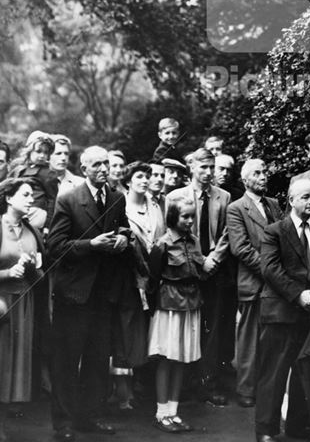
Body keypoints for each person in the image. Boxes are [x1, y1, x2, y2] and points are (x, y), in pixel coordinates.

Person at [47, 145, 128, 440]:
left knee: (97, 359)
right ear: (84, 169)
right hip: (74, 293)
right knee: (67, 360)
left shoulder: (117, 198)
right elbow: (54, 247)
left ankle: (89, 417)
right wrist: (90, 245)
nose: (104, 169)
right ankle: (64, 422)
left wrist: (122, 240)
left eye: (106, 163)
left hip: (103, 294)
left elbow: (125, 230)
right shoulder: (68, 199)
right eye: (97, 165)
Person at [255, 178, 310, 442]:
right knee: (274, 373)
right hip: (280, 312)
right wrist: (298, 295)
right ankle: (266, 431)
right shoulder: (274, 231)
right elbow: (270, 270)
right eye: (305, 197)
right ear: (291, 200)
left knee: (303, 373)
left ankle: (296, 427)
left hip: (309, 313)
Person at [165, 148, 230, 406]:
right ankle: (184, 384)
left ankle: (209, 382)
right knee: (185, 326)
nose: (208, 173)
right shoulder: (175, 196)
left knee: (211, 327)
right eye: (203, 167)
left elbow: (227, 233)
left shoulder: (223, 197)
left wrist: (213, 259)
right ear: (191, 167)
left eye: (211, 167)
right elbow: (171, 232)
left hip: (214, 270)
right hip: (185, 270)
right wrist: (198, 261)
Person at [226, 158, 282, 408]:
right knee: (249, 339)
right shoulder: (236, 208)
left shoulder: (274, 204)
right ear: (245, 179)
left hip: (277, 284)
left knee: (272, 339)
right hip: (255, 282)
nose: (263, 176)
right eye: (257, 173)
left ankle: (267, 388)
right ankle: (246, 388)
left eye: (265, 172)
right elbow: (241, 249)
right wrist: (271, 270)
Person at [147, 196, 206, 433]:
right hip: (169, 305)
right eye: (185, 216)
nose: (190, 221)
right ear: (173, 217)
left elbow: (199, 271)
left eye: (192, 216)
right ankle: (161, 413)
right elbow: (153, 279)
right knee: (166, 357)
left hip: (191, 304)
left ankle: (173, 411)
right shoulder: (163, 243)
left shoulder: (194, 241)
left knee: (181, 358)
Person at [111, 162, 157, 414]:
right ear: (128, 181)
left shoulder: (155, 207)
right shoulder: (121, 205)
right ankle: (122, 393)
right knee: (125, 333)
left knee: (144, 333)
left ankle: (140, 387)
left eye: (148, 176)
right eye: (140, 176)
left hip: (152, 278)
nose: (145, 180)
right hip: (128, 279)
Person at [0, 179, 44, 441]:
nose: (31, 200)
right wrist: (6, 272)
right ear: (8, 198)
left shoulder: (32, 230)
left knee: (15, 365)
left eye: (33, 196)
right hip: (1, 301)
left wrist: (31, 268)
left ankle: (6, 422)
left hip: (24, 304)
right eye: (25, 195)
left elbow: (41, 276)